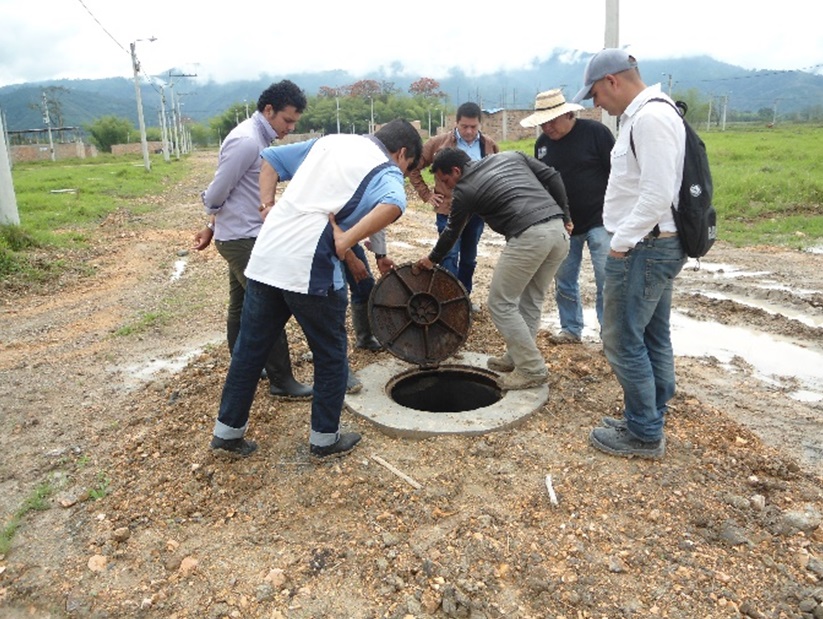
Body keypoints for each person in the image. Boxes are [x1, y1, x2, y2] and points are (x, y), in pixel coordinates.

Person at [209, 119, 423, 459]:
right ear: (402, 153)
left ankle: (227, 434)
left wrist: (266, 207)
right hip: (309, 264)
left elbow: (271, 159)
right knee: (331, 354)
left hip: (268, 253)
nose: (404, 170)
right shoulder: (386, 169)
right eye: (408, 165)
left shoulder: (331, 141)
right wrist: (346, 240)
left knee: (250, 349)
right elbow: (395, 203)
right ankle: (325, 439)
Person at [572, 49, 688, 459]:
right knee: (653, 333)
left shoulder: (651, 119)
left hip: (644, 246)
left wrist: (621, 244)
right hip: (652, 244)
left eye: (597, 95)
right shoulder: (644, 116)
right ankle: (650, 412)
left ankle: (643, 432)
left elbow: (656, 193)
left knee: (621, 339)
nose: (596, 104)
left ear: (613, 81)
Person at [415, 148, 572, 391]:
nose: (446, 187)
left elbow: (451, 232)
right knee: (531, 298)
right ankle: (517, 356)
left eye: (445, 180)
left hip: (529, 236)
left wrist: (431, 259)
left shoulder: (465, 190)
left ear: (456, 171)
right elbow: (553, 176)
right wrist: (566, 215)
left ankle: (531, 368)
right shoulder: (510, 156)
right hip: (558, 231)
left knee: (500, 302)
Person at [194, 80, 312, 400]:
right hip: (242, 238)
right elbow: (218, 190)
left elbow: (231, 191)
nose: (289, 127)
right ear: (268, 110)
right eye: (287, 120)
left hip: (239, 233)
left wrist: (213, 225)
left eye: (294, 122)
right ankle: (282, 381)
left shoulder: (259, 137)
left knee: (241, 304)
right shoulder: (247, 141)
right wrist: (211, 216)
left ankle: (245, 363)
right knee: (269, 305)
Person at [521, 88, 615, 345]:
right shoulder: (542, 145)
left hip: (601, 220)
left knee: (606, 278)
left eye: (552, 121)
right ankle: (571, 329)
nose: (547, 128)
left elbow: (618, 175)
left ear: (569, 114)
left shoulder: (596, 134)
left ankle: (610, 335)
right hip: (564, 224)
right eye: (543, 123)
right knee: (564, 279)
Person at [408, 102, 499, 311]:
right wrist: (427, 194)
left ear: (479, 125)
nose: (468, 131)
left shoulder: (488, 145)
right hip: (448, 209)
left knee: (469, 258)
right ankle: (448, 300)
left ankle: (464, 298)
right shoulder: (439, 143)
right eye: (464, 126)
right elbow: (414, 167)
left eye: (473, 127)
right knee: (448, 254)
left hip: (476, 212)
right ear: (456, 123)